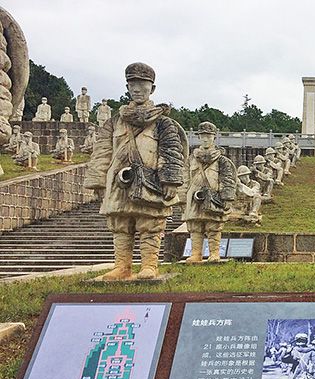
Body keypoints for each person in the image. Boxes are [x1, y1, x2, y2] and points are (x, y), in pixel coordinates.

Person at [84, 62, 188, 281]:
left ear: (152, 88)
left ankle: (149, 265)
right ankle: (122, 267)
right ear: (127, 88)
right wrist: (99, 181)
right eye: (133, 85)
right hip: (119, 183)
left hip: (150, 182)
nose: (137, 89)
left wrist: (170, 181)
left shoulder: (163, 123)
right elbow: (102, 152)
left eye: (143, 85)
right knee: (120, 225)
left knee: (150, 225)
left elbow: (171, 151)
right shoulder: (114, 122)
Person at [183, 121, 236, 263]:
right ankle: (196, 254)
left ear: (214, 137)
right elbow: (185, 178)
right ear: (199, 137)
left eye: (209, 136)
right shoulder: (191, 159)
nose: (205, 139)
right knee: (195, 227)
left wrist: (227, 198)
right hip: (194, 197)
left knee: (213, 227)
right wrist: (182, 198)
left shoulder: (222, 160)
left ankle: (214, 253)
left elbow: (228, 179)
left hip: (213, 196)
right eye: (203, 136)